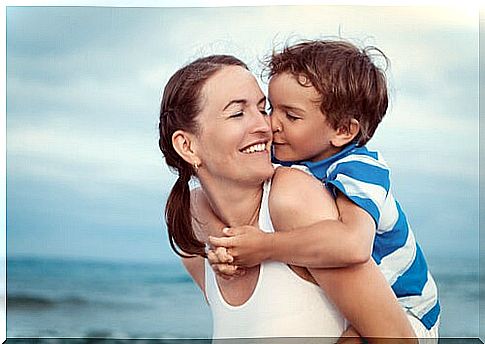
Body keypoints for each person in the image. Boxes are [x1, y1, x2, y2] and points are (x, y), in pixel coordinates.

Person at [158, 54, 417, 342]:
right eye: (237, 113)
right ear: (187, 146)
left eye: (260, 108)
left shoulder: (291, 198)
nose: (266, 126)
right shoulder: (192, 222)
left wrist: (265, 246)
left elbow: (400, 337)